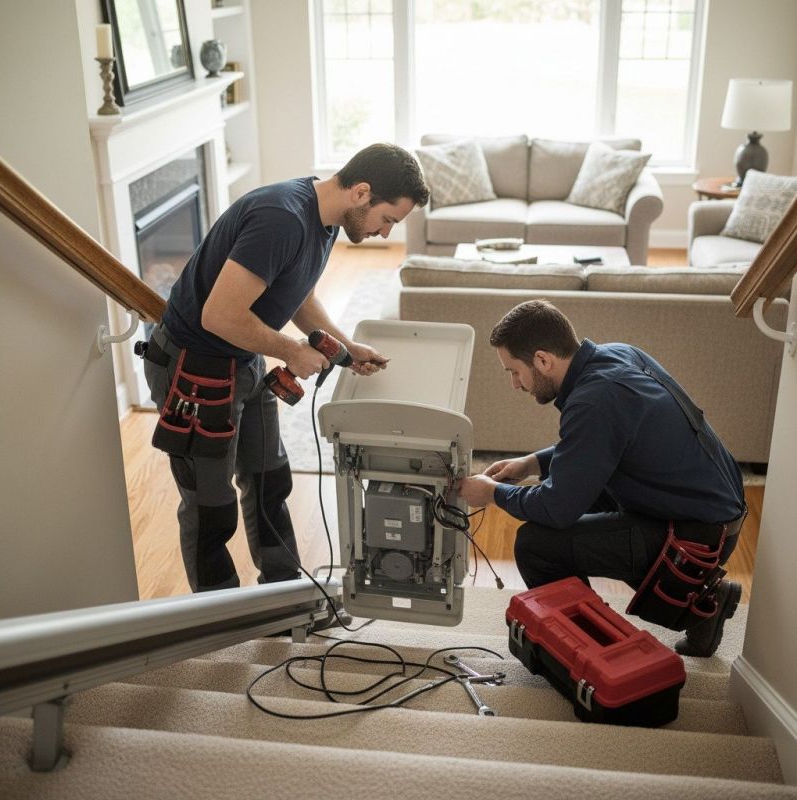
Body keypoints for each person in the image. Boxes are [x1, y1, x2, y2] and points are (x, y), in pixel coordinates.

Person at [143, 143, 429, 593]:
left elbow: (298, 294)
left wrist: (347, 348)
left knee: (268, 481)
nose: (384, 232)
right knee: (211, 508)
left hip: (243, 357)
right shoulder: (281, 219)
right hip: (195, 370)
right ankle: (219, 623)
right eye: (388, 219)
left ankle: (283, 597)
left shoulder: (327, 219)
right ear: (361, 192)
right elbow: (217, 315)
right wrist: (292, 351)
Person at [456, 300, 747, 657]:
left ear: (543, 360)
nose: (516, 384)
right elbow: (599, 447)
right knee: (585, 493)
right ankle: (705, 601)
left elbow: (556, 508)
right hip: (711, 516)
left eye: (514, 371)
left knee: (536, 545)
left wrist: (494, 493)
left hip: (695, 537)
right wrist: (531, 463)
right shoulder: (617, 355)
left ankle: (594, 649)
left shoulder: (594, 400)